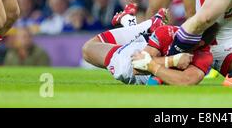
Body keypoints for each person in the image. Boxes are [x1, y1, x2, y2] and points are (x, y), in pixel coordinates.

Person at [82, 6, 217, 86]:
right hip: (133, 56)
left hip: (146, 50)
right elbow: (137, 66)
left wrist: (153, 66)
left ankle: (132, 22)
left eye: (191, 32)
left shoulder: (204, 56)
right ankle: (145, 25)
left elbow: (186, 81)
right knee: (88, 49)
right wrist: (171, 61)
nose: (183, 30)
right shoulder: (168, 32)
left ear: (200, 43)